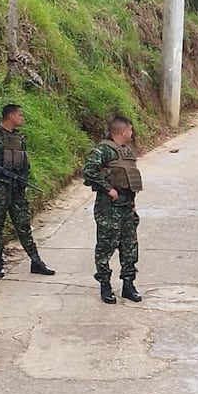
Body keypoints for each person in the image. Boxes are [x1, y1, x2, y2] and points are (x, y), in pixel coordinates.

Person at [0, 104, 55, 278]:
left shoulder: (18, 137)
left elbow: (24, 162)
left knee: (23, 225)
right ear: (11, 115)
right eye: (20, 115)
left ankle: (36, 261)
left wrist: (24, 180)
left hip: (16, 188)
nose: (22, 118)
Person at [81, 116, 143, 305]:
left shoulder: (127, 152)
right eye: (130, 130)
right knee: (105, 247)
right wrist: (108, 188)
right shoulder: (103, 150)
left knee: (130, 247)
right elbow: (88, 171)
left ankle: (128, 284)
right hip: (109, 209)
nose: (132, 134)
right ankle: (105, 285)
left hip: (127, 206)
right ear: (123, 131)